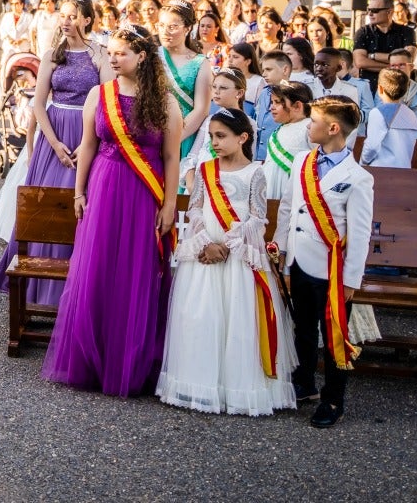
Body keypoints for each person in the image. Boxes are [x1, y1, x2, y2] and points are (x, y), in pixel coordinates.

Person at [42, 27, 181, 397]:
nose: (113, 59)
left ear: (142, 57)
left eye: (121, 53)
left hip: (143, 193)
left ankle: (130, 361)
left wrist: (169, 204)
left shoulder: (165, 102)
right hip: (104, 188)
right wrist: (78, 192)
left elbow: (171, 156)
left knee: (136, 271)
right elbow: (88, 144)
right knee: (98, 269)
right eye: (111, 53)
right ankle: (92, 360)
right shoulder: (99, 94)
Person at [158, 107, 297, 415]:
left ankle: (236, 388)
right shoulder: (206, 169)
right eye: (211, 137)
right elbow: (195, 208)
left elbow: (258, 217)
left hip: (238, 257)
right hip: (205, 254)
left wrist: (229, 242)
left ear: (242, 138)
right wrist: (206, 243)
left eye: (221, 136)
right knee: (202, 316)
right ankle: (199, 383)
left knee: (237, 320)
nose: (215, 143)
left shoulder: (255, 172)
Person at [0, 0, 106, 304]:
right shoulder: (52, 54)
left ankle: (74, 291)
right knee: (46, 206)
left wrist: (87, 142)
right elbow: (39, 104)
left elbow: (106, 103)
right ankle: (38, 286)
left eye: (73, 16)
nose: (65, 21)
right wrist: (54, 144)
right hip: (53, 136)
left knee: (81, 205)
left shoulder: (100, 54)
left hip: (87, 133)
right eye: (63, 16)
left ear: (87, 20)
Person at [274, 96, 372, 427]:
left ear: (332, 128)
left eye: (313, 121)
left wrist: (350, 280)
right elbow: (288, 207)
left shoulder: (357, 177)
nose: (308, 126)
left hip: (331, 269)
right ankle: (304, 383)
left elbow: (359, 234)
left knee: (333, 336)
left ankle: (333, 399)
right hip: (299, 260)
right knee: (302, 326)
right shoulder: (303, 160)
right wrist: (282, 249)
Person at [159, 0, 211, 165]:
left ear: (187, 28)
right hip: (152, 132)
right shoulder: (151, 57)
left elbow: (201, 109)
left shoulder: (200, 63)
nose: (165, 31)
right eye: (161, 25)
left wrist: (173, 139)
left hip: (185, 133)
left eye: (173, 27)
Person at [352, 0, 415, 95]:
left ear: (389, 12)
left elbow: (408, 58)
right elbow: (360, 62)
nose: (370, 14)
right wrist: (394, 66)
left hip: (399, 88)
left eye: (375, 10)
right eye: (369, 10)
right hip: (370, 89)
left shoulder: (407, 32)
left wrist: (373, 56)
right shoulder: (363, 32)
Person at [359, 69, 417, 168]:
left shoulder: (377, 113)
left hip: (380, 170)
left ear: (380, 89)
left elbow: (372, 146)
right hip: (405, 168)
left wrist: (363, 162)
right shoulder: (411, 114)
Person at [263, 82, 315, 201]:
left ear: (297, 106)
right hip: (270, 190)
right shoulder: (279, 129)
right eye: (272, 102)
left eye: (277, 102)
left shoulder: (309, 127)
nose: (272, 107)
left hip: (294, 190)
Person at [385, 52, 417, 132]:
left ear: (411, 67)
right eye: (393, 65)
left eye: (401, 65)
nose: (397, 68)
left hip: (413, 135)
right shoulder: (383, 89)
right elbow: (378, 116)